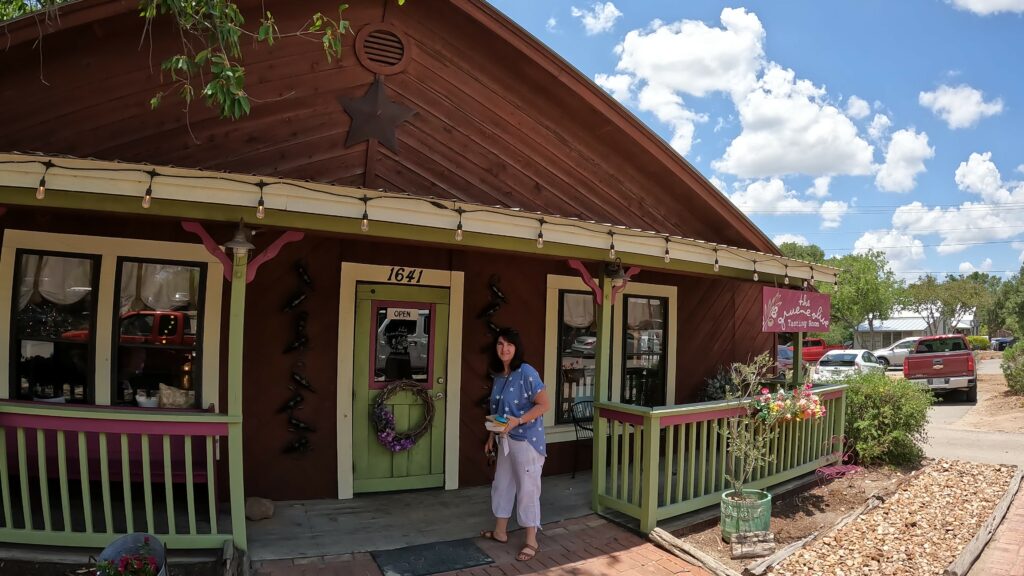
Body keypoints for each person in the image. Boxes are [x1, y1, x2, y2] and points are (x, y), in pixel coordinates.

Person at [480, 328, 551, 562]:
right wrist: (491, 436)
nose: (504, 349)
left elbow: (544, 404)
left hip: (527, 440)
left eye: (509, 344)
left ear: (516, 347)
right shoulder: (499, 374)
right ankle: (500, 531)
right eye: (500, 344)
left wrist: (519, 420)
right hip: (505, 440)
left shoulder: (526, 372)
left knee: (528, 488)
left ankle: (531, 540)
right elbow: (497, 411)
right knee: (502, 484)